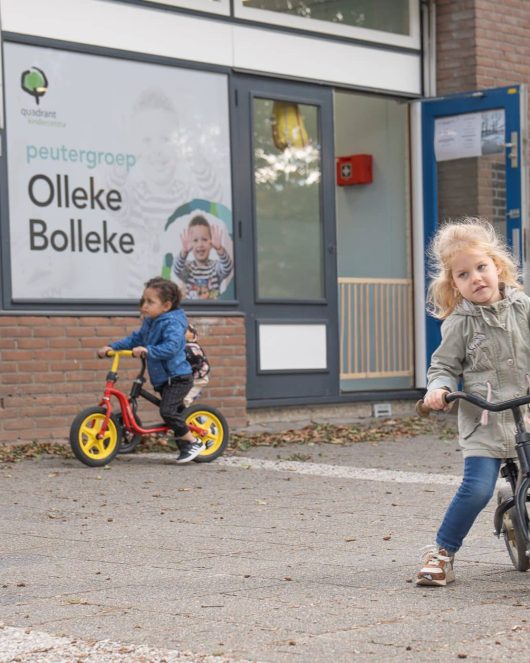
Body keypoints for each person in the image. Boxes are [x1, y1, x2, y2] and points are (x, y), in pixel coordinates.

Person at [416, 217, 530, 586]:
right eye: (463, 274)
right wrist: (439, 388)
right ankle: (442, 553)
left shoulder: (523, 308)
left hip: (527, 415)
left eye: (481, 267)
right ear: (454, 284)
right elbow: (443, 367)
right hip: (485, 422)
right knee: (477, 488)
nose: (476, 278)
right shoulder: (459, 322)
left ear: (497, 266)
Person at [97, 277, 204, 464]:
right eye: (143, 301)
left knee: (168, 412)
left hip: (177, 378)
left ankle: (193, 443)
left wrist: (149, 350)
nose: (144, 306)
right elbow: (134, 339)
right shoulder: (150, 322)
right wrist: (111, 347)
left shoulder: (173, 323)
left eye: (150, 302)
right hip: (163, 378)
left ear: (166, 306)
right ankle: (188, 433)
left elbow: (172, 346)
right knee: (176, 412)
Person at [173, 214, 233, 300]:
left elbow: (227, 268)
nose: (200, 244)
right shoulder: (188, 268)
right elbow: (177, 269)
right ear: (190, 243)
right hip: (192, 309)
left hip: (212, 308)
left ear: (211, 243)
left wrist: (220, 249)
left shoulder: (215, 268)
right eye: (195, 240)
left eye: (204, 239)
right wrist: (184, 252)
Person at [183, 324, 211, 408]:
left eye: (185, 331)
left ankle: (186, 414)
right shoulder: (187, 346)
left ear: (193, 334)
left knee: (185, 400)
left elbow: (195, 361)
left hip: (199, 379)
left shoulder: (192, 347)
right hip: (194, 378)